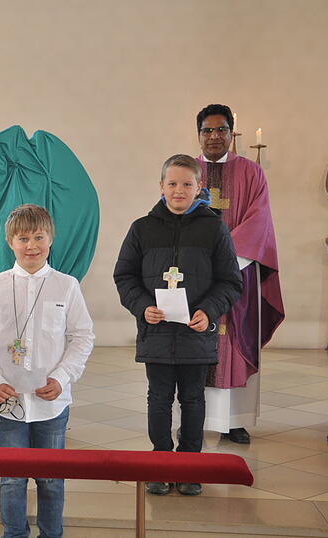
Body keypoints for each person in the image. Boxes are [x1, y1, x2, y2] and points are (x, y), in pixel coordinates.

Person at [114, 154, 242, 496]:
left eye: (187, 184)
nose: (179, 190)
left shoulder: (214, 228)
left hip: (195, 334)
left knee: (192, 399)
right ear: (161, 187)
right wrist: (143, 307)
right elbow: (124, 276)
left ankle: (189, 467)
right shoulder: (142, 228)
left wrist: (209, 311)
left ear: (200, 187)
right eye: (172, 183)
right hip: (155, 332)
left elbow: (231, 281)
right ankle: (160, 463)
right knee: (158, 399)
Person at [0, 204, 94, 538]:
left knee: (51, 476)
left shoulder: (66, 286)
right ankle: (15, 533)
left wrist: (62, 376)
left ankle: (52, 534)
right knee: (12, 477)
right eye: (23, 238)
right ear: (11, 242)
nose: (31, 245)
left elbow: (82, 336)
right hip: (8, 399)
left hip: (51, 400)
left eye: (39, 237)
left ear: (51, 239)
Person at [195, 104, 285, 444]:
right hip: (197, 276)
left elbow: (259, 220)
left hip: (238, 272)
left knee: (235, 341)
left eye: (221, 130)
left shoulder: (251, 173)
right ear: (198, 134)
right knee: (194, 344)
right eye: (207, 130)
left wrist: (225, 257)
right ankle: (193, 415)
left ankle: (235, 420)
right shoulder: (187, 172)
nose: (214, 136)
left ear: (232, 134)